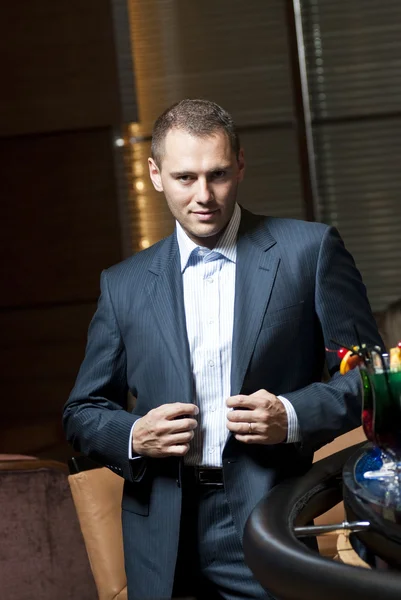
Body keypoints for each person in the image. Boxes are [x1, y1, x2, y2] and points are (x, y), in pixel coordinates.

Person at [63, 99, 382, 600]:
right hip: (158, 530)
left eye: (218, 175)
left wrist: (291, 414)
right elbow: (80, 412)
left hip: (267, 516)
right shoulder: (122, 285)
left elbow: (373, 378)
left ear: (240, 164)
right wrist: (133, 434)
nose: (203, 196)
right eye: (185, 177)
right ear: (155, 174)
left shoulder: (310, 250)